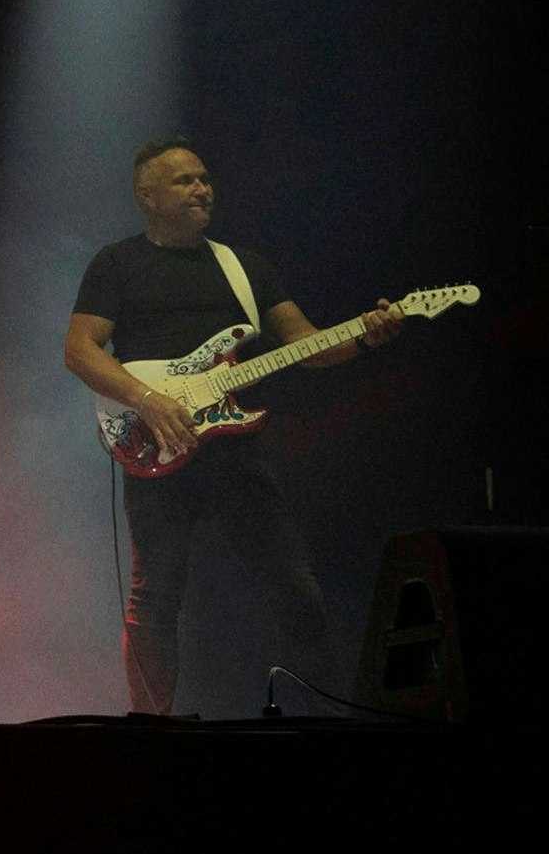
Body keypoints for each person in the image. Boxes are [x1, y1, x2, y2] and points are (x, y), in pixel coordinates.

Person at [63, 137, 401, 715]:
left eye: (204, 178)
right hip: (157, 441)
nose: (202, 188)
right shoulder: (117, 264)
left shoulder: (244, 267)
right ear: (146, 196)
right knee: (156, 595)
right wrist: (148, 400)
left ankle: (328, 715)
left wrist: (365, 336)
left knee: (294, 584)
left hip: (238, 451)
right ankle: (149, 724)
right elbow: (79, 350)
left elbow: (307, 345)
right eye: (184, 181)